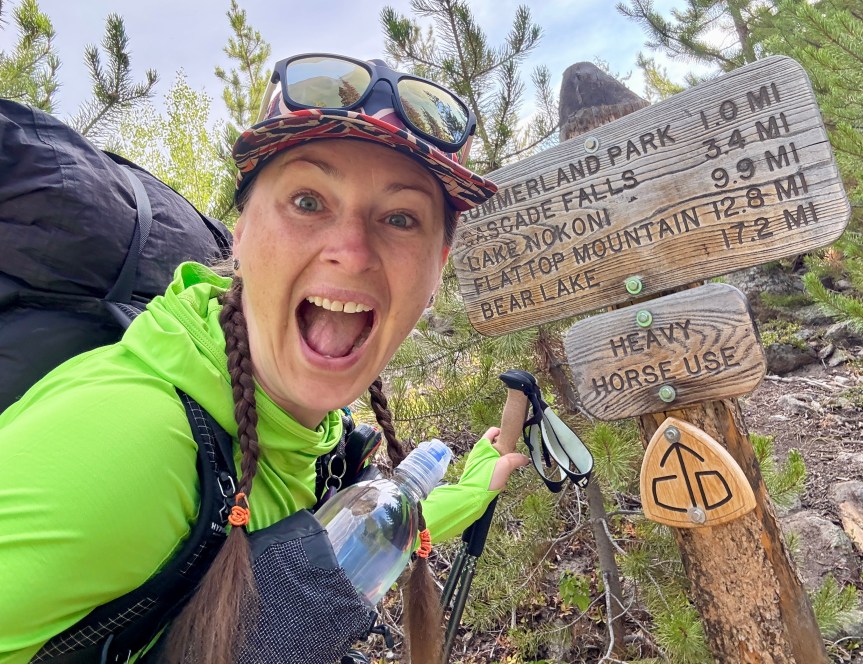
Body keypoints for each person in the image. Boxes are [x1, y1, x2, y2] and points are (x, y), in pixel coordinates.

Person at [0, 53, 529, 664]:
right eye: (308, 201)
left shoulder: (306, 437)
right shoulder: (127, 443)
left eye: (401, 218)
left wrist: (470, 491)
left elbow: (354, 535)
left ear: (436, 270)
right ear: (242, 230)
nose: (352, 251)